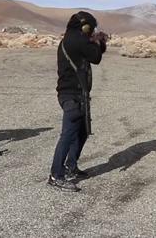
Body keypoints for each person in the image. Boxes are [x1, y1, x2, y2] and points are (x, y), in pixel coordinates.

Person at [48, 11, 108, 191]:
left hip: (73, 94)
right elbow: (96, 57)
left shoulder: (69, 39)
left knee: (81, 132)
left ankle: (71, 166)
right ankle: (56, 175)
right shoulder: (79, 40)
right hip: (72, 95)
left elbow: (92, 54)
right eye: (90, 28)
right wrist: (99, 41)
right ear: (85, 26)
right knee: (68, 135)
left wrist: (96, 42)